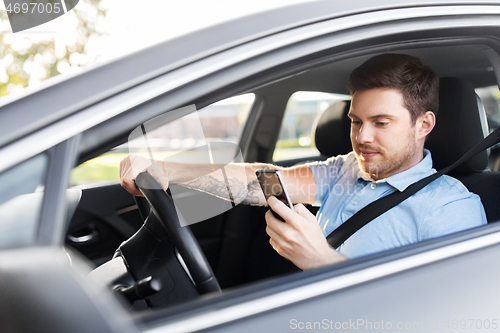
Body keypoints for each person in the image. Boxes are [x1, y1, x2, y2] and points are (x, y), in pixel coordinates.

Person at [120, 54, 487, 271]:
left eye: (381, 123)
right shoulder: (345, 169)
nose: (362, 137)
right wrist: (168, 169)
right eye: (356, 121)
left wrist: (322, 260)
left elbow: (447, 316)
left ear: (423, 124)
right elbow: (263, 182)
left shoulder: (452, 208)